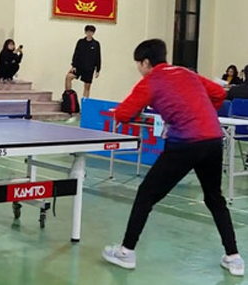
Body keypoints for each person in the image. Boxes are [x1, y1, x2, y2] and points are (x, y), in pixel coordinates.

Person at [102, 39, 243, 276]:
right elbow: (219, 94)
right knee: (214, 198)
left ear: (146, 62)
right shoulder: (187, 73)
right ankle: (234, 257)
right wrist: (199, 112)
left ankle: (126, 252)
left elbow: (125, 114)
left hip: (185, 144)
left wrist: (119, 114)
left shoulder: (150, 81)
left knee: (146, 194)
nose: (139, 69)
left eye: (138, 64)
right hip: (212, 140)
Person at [65, 25, 101, 98]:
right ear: (85, 32)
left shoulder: (96, 44)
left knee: (87, 87)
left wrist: (98, 70)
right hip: (79, 66)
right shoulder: (80, 42)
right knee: (68, 77)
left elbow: (98, 57)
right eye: (88, 31)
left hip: (89, 68)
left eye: (91, 32)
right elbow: (76, 53)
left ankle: (85, 102)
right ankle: (68, 97)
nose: (89, 33)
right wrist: (73, 65)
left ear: (93, 33)